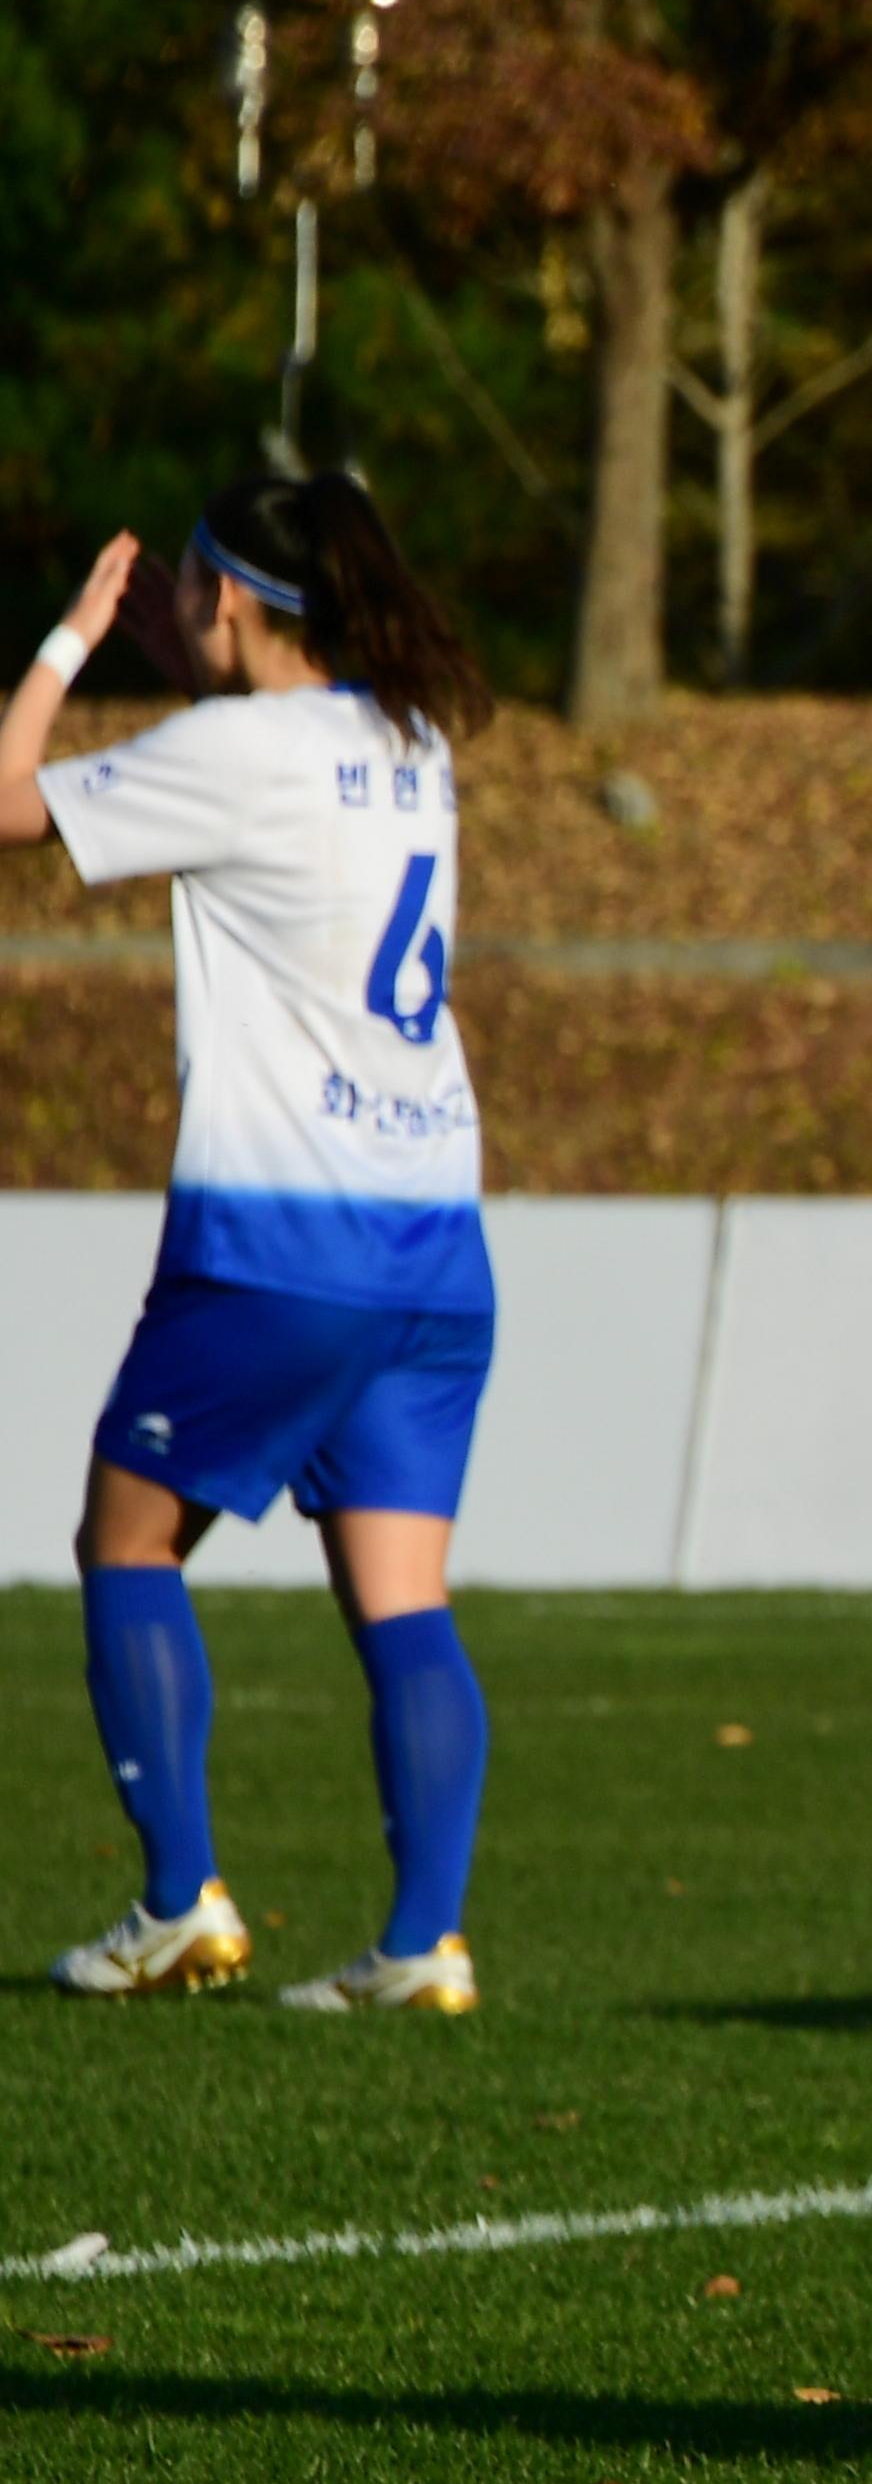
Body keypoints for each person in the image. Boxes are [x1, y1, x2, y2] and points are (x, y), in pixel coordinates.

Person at [0, 471, 503, 2012]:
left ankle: (178, 1903)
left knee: (126, 1539)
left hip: (284, 1237)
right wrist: (199, 674)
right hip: (435, 1239)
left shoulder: (231, 753)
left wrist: (72, 640)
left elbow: (10, 800)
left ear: (224, 600)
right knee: (401, 1598)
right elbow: (256, 775)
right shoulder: (406, 741)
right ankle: (424, 1944)